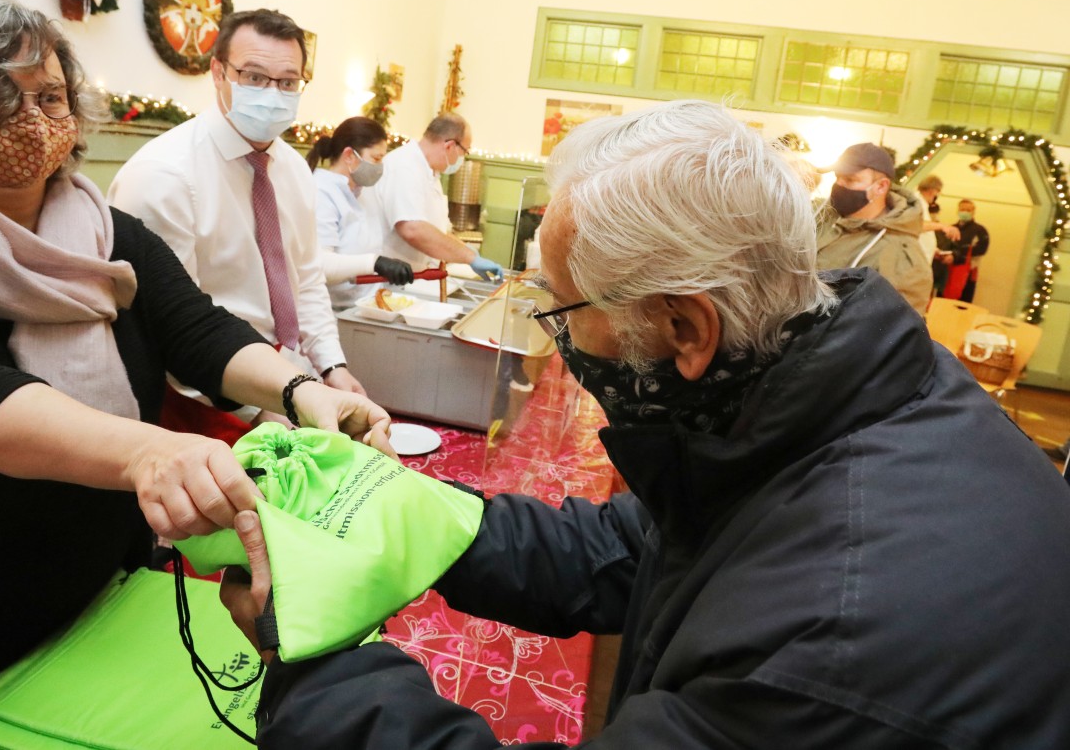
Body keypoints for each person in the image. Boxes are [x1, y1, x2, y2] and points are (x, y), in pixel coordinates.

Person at [221, 100, 1070, 748]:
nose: (561, 336)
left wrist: (315, 648)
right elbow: (643, 546)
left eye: (567, 311)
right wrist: (395, 512)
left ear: (687, 329)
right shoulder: (821, 396)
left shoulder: (828, 654)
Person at [0, 0, 391, 750]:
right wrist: (149, 450)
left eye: (50, 93)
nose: (34, 116)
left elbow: (199, 331)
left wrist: (303, 388)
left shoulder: (110, 236)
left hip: (91, 591)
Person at [109, 9, 366, 439]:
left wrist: (331, 365)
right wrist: (260, 406)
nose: (273, 93)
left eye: (288, 82)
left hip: (287, 378)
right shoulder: (164, 175)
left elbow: (304, 278)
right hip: (201, 397)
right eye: (254, 77)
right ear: (218, 73)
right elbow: (167, 327)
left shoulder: (292, 168)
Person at [367, 113, 504, 282]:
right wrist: (469, 257)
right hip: (386, 281)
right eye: (464, 152)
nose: (461, 158)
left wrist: (463, 249)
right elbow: (413, 229)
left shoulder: (431, 172)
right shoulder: (404, 167)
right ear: (449, 146)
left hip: (412, 278)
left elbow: (436, 229)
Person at [304, 116, 414, 308]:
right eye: (376, 158)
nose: (380, 167)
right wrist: (375, 263)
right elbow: (320, 264)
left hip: (367, 305)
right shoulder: (321, 192)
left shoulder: (364, 193)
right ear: (349, 156)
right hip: (334, 311)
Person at [815, 141, 932, 313]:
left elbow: (893, 330)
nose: (839, 185)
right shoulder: (822, 213)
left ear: (880, 187)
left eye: (850, 179)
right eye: (837, 177)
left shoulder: (899, 252)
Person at [937, 198, 991, 303]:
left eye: (968, 210)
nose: (965, 212)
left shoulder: (980, 231)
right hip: (946, 271)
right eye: (962, 209)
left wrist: (957, 255)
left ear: (973, 212)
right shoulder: (950, 228)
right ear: (958, 211)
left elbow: (981, 249)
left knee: (961, 305)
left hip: (967, 274)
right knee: (941, 302)